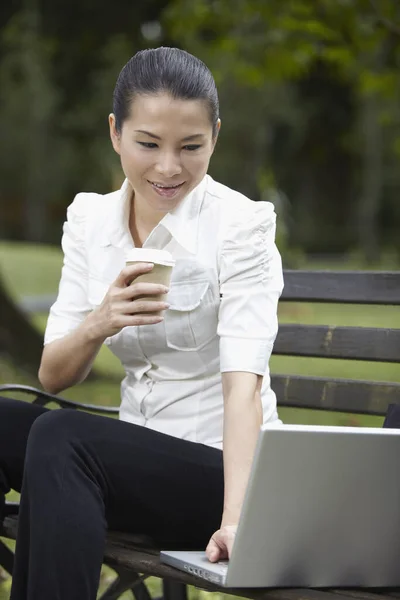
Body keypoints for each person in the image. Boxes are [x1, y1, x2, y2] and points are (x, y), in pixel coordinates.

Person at [0, 47, 284, 600]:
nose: (169, 167)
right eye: (148, 144)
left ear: (215, 137)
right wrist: (99, 322)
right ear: (115, 132)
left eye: (191, 146)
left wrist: (235, 522)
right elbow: (53, 375)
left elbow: (243, 389)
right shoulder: (90, 221)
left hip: (218, 474)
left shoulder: (242, 227)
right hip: (123, 460)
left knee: (62, 437)